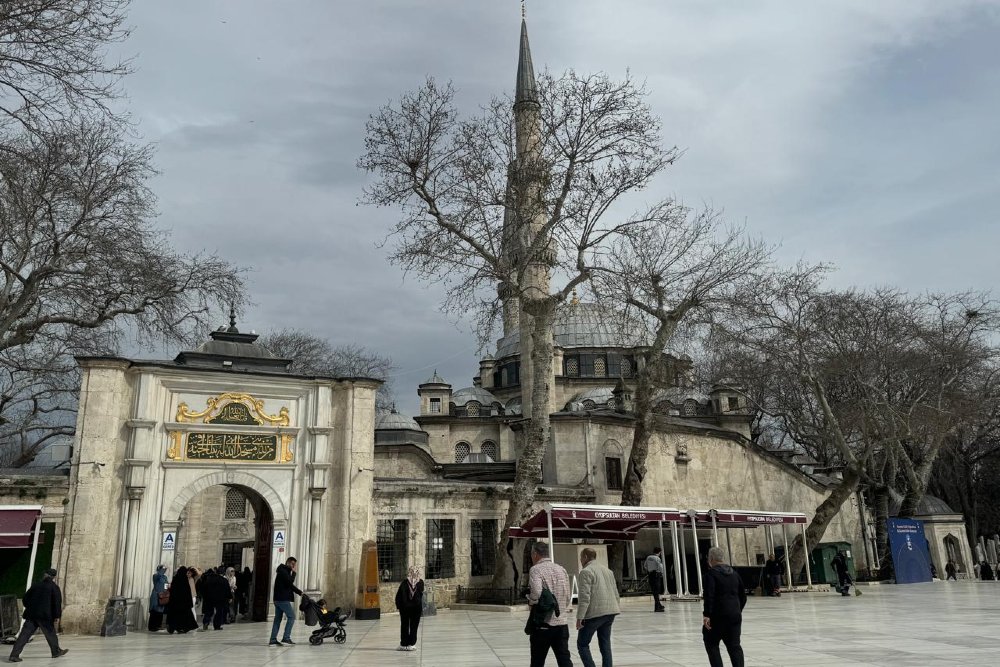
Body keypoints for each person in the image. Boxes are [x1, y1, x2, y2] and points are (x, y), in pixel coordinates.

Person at [526, 541, 573, 667]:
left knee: (537, 661)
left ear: (535, 554)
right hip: (561, 623)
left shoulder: (535, 570)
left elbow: (536, 592)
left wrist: (531, 601)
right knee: (564, 659)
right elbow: (568, 596)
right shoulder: (561, 569)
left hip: (543, 624)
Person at [7, 568, 69, 662]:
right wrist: (56, 616)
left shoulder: (36, 585)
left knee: (24, 635)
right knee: (51, 634)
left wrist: (31, 608)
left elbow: (25, 599)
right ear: (53, 577)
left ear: (45, 575)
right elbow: (56, 603)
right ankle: (56, 652)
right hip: (45, 616)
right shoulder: (54, 587)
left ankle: (14, 655)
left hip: (31, 615)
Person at [702, 547, 746, 667]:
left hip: (717, 616)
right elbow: (743, 596)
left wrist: (707, 615)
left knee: (711, 644)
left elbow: (709, 596)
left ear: (711, 559)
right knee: (734, 646)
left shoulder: (710, 574)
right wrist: (737, 610)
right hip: (734, 616)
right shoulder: (734, 574)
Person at [575, 548, 619, 667]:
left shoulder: (586, 571)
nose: (580, 560)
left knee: (582, 644)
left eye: (580, 557)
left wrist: (580, 617)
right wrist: (616, 607)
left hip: (595, 613)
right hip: (610, 611)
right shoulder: (608, 571)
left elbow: (584, 597)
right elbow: (615, 592)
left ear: (585, 557)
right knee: (605, 644)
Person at [269, 557, 303, 646]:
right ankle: (286, 638)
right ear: (287, 562)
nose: (293, 566)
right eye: (292, 564)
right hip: (282, 599)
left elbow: (289, 584)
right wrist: (294, 573)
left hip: (278, 599)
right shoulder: (283, 571)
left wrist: (300, 592)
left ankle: (273, 640)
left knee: (277, 619)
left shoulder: (283, 571)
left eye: (294, 564)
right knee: (291, 617)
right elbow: (290, 583)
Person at [394, 565, 424, 651]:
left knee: (404, 625)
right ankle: (411, 644)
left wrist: (399, 606)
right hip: (416, 608)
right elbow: (421, 593)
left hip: (405, 608)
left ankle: (404, 644)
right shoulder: (420, 582)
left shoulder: (404, 582)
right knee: (414, 626)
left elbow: (399, 595)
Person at [166, 566, 198, 634]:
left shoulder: (175, 579)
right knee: (183, 616)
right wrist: (189, 603)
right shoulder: (185, 580)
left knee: (174, 616)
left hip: (175, 603)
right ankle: (181, 628)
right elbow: (188, 592)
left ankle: (173, 628)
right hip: (183, 604)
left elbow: (172, 591)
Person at [644, 547, 666, 612]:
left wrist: (649, 570)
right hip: (656, 575)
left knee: (654, 591)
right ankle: (657, 608)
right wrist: (661, 573)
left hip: (650, 575)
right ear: (659, 552)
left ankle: (659, 605)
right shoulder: (657, 558)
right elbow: (660, 566)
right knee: (657, 591)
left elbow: (645, 566)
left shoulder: (648, 557)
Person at [148, 565, 169, 631]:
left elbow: (166, 585)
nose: (164, 570)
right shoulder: (155, 575)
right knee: (154, 610)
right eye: (163, 569)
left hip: (163, 595)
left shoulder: (165, 577)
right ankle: (152, 626)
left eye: (165, 569)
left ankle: (158, 625)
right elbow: (159, 576)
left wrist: (166, 591)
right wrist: (161, 568)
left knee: (161, 610)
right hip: (156, 595)